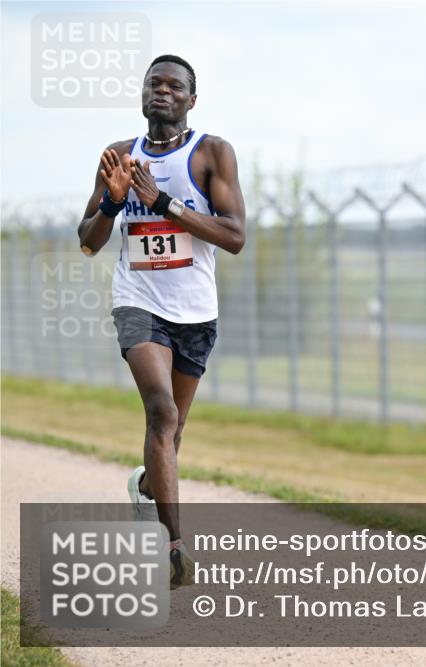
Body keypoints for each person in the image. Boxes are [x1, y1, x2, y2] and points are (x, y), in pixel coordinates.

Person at [77, 54, 246, 588]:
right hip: (137, 300)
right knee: (161, 412)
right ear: (143, 93)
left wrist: (163, 202)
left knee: (170, 436)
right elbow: (87, 241)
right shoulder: (119, 156)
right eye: (155, 83)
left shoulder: (212, 153)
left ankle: (147, 484)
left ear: (191, 99)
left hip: (196, 311)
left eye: (175, 86)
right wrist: (113, 201)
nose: (163, 91)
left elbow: (235, 237)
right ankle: (173, 551)